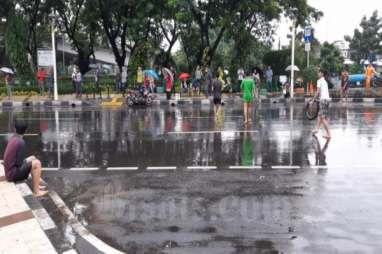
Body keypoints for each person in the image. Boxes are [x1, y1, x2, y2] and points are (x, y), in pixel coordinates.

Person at [3, 119, 48, 197]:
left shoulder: (13, 138)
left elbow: (17, 162)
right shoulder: (21, 142)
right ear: (26, 130)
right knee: (36, 163)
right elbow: (19, 164)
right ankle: (37, 192)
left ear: (15, 129)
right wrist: (27, 162)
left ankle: (36, 184)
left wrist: (28, 161)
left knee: (32, 158)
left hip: (9, 171)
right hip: (12, 175)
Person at [312, 69, 331, 139]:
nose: (318, 74)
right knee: (320, 116)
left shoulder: (319, 81)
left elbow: (317, 92)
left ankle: (329, 134)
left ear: (322, 74)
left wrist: (312, 100)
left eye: (319, 73)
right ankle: (317, 129)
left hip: (323, 100)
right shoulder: (325, 81)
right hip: (327, 100)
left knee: (322, 118)